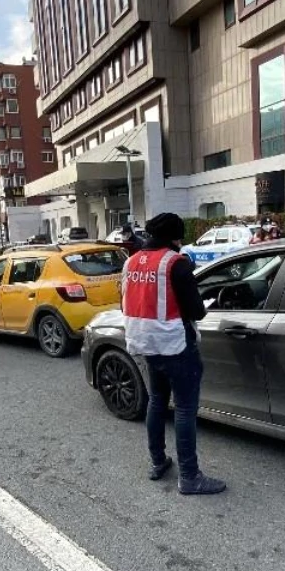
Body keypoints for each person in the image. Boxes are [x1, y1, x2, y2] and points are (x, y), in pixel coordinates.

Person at [121, 212, 225, 495]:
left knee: (156, 401)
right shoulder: (175, 263)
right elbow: (196, 311)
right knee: (184, 409)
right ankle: (190, 477)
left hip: (145, 343)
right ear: (174, 237)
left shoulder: (131, 263)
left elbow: (126, 303)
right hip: (175, 344)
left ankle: (158, 462)